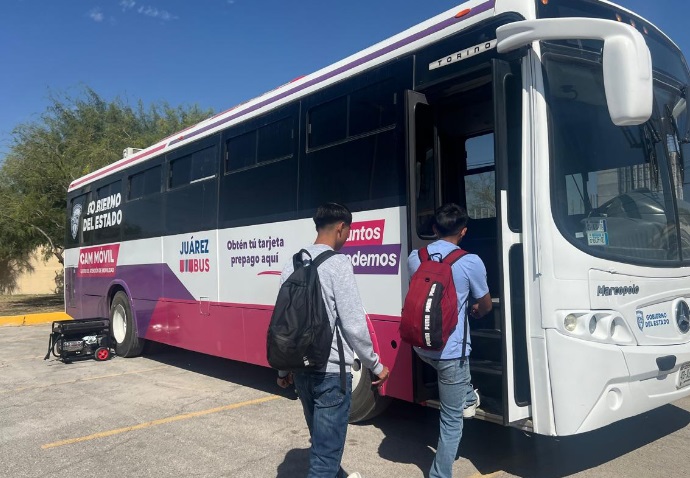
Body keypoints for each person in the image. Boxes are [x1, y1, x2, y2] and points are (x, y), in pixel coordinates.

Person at [276, 202, 390, 478]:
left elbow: (283, 325)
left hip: (300, 370)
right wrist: (375, 366)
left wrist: (283, 371)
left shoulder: (291, 264)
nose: (348, 237)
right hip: (330, 374)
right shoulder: (338, 264)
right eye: (348, 231)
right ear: (340, 228)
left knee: (322, 443)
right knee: (324, 461)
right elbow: (354, 325)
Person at [407, 203, 492, 478]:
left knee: (456, 382)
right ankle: (439, 475)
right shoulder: (470, 261)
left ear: (433, 229)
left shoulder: (415, 257)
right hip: (450, 351)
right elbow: (485, 304)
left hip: (420, 345)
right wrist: (476, 311)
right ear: (464, 231)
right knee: (452, 419)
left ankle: (468, 394)